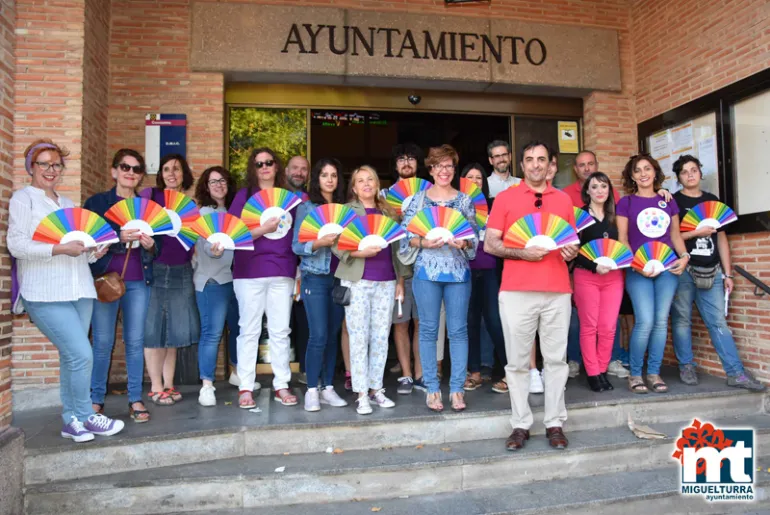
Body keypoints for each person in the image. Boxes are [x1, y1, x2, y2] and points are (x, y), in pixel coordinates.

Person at [9, 139, 123, 442]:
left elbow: (80, 251)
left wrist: (93, 251)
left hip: (80, 289)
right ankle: (86, 415)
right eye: (43, 163)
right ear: (31, 167)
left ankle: (72, 420)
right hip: (44, 293)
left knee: (72, 357)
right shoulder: (24, 199)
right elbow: (17, 245)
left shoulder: (69, 204)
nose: (51, 169)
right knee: (82, 353)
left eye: (56, 164)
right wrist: (59, 248)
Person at [484, 141, 578, 451]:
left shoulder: (564, 200)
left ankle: (554, 422)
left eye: (541, 159)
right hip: (516, 291)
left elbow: (571, 245)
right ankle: (520, 424)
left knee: (556, 361)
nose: (535, 165)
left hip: (557, 291)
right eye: (529, 160)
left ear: (551, 164)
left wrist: (571, 251)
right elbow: (490, 244)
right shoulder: (505, 199)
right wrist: (523, 253)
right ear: (521, 165)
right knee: (517, 363)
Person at [670, 155, 765, 391]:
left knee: (718, 322)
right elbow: (672, 238)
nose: (690, 175)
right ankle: (686, 365)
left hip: (712, 270)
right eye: (684, 171)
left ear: (701, 173)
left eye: (694, 170)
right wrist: (695, 232)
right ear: (678, 177)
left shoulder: (712, 200)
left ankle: (736, 373)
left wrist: (728, 273)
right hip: (684, 269)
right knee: (682, 320)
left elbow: (721, 238)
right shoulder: (674, 202)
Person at [401, 145, 478, 412]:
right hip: (426, 274)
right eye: (439, 166)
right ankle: (432, 389)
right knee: (428, 330)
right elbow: (404, 238)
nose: (444, 171)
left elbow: (474, 239)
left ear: (454, 170)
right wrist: (423, 241)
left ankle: (457, 389)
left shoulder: (465, 201)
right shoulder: (418, 201)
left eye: (449, 166)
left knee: (458, 331)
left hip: (458, 274)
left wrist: (464, 244)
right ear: (431, 170)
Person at [85, 149, 158, 423]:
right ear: (114, 171)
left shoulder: (146, 208)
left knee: (135, 341)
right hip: (106, 280)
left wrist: (152, 245)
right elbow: (87, 239)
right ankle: (96, 399)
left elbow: (157, 247)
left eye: (136, 169)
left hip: (139, 280)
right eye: (125, 167)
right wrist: (118, 236)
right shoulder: (97, 203)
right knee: (102, 342)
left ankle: (135, 398)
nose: (130, 173)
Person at [334, 165, 408, 415]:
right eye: (360, 181)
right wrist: (357, 252)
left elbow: (397, 250)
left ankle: (377, 389)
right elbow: (336, 245)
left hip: (386, 281)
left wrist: (400, 282)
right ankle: (361, 394)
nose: (366, 184)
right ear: (353, 187)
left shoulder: (389, 211)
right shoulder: (347, 212)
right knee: (358, 337)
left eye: (370, 180)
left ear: (377, 184)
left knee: (380, 337)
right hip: (357, 280)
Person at [229, 148, 298, 408]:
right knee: (249, 330)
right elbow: (233, 235)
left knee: (281, 331)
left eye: (269, 162)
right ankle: (245, 386)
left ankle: (282, 384)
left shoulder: (290, 199)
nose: (265, 167)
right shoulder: (244, 197)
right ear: (253, 169)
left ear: (277, 166)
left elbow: (299, 235)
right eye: (259, 164)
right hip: (249, 272)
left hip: (283, 271)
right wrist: (263, 229)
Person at [617, 154, 689, 394]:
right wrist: (637, 265)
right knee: (645, 321)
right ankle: (635, 374)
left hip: (667, 268)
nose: (643, 174)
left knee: (660, 323)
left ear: (655, 172)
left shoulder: (667, 201)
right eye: (637, 170)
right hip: (639, 269)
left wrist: (685, 256)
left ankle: (654, 373)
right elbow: (623, 240)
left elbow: (676, 236)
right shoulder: (626, 203)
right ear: (632, 176)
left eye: (647, 169)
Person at [140, 154, 200, 406]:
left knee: (174, 330)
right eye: (166, 169)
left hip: (181, 268)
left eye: (176, 169)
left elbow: (191, 241)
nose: (171, 173)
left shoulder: (190, 203)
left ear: (184, 173)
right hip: (155, 267)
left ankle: (169, 383)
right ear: (160, 173)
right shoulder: (149, 196)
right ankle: (155, 386)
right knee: (154, 328)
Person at [292, 158, 349, 411]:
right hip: (314, 276)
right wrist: (318, 243)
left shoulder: (345, 210)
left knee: (333, 334)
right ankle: (312, 390)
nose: (329, 179)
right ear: (317, 179)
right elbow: (296, 246)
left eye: (334, 175)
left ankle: (328, 387)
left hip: (339, 278)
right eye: (324, 175)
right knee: (318, 335)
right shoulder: (307, 207)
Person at [572, 172, 625, 392]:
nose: (600, 191)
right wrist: (594, 265)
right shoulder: (579, 216)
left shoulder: (615, 216)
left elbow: (623, 245)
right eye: (595, 187)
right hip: (587, 276)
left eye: (604, 186)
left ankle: (602, 370)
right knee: (589, 327)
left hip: (613, 277)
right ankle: (592, 373)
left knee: (608, 327)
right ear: (587, 191)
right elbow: (573, 250)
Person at [459, 163, 508, 394]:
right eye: (470, 177)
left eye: (479, 177)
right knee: (469, 322)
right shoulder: (456, 204)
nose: (475, 181)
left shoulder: (494, 204)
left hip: (490, 269)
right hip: (464, 271)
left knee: (494, 321)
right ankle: (475, 372)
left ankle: (509, 370)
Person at [193, 166, 237, 406]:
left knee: (239, 330)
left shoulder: (233, 212)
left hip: (234, 280)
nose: (219, 185)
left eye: (222, 180)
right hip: (212, 282)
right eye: (213, 182)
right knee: (212, 333)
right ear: (206, 187)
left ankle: (237, 374)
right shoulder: (203, 213)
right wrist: (215, 249)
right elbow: (207, 246)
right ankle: (206, 385)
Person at [389, 143, 428, 395]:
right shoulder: (384, 195)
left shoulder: (430, 192)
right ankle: (405, 374)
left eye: (411, 158)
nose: (406, 163)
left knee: (422, 322)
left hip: (425, 265)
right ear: (395, 165)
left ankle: (420, 373)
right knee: (401, 322)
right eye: (401, 159)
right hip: (396, 267)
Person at [285, 155, 311, 383]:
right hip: (279, 265)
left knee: (304, 321)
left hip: (303, 266)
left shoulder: (311, 200)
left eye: (303, 169)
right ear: (286, 170)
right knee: (280, 323)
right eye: (295, 168)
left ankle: (303, 368)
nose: (299, 172)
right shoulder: (275, 197)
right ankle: (281, 373)